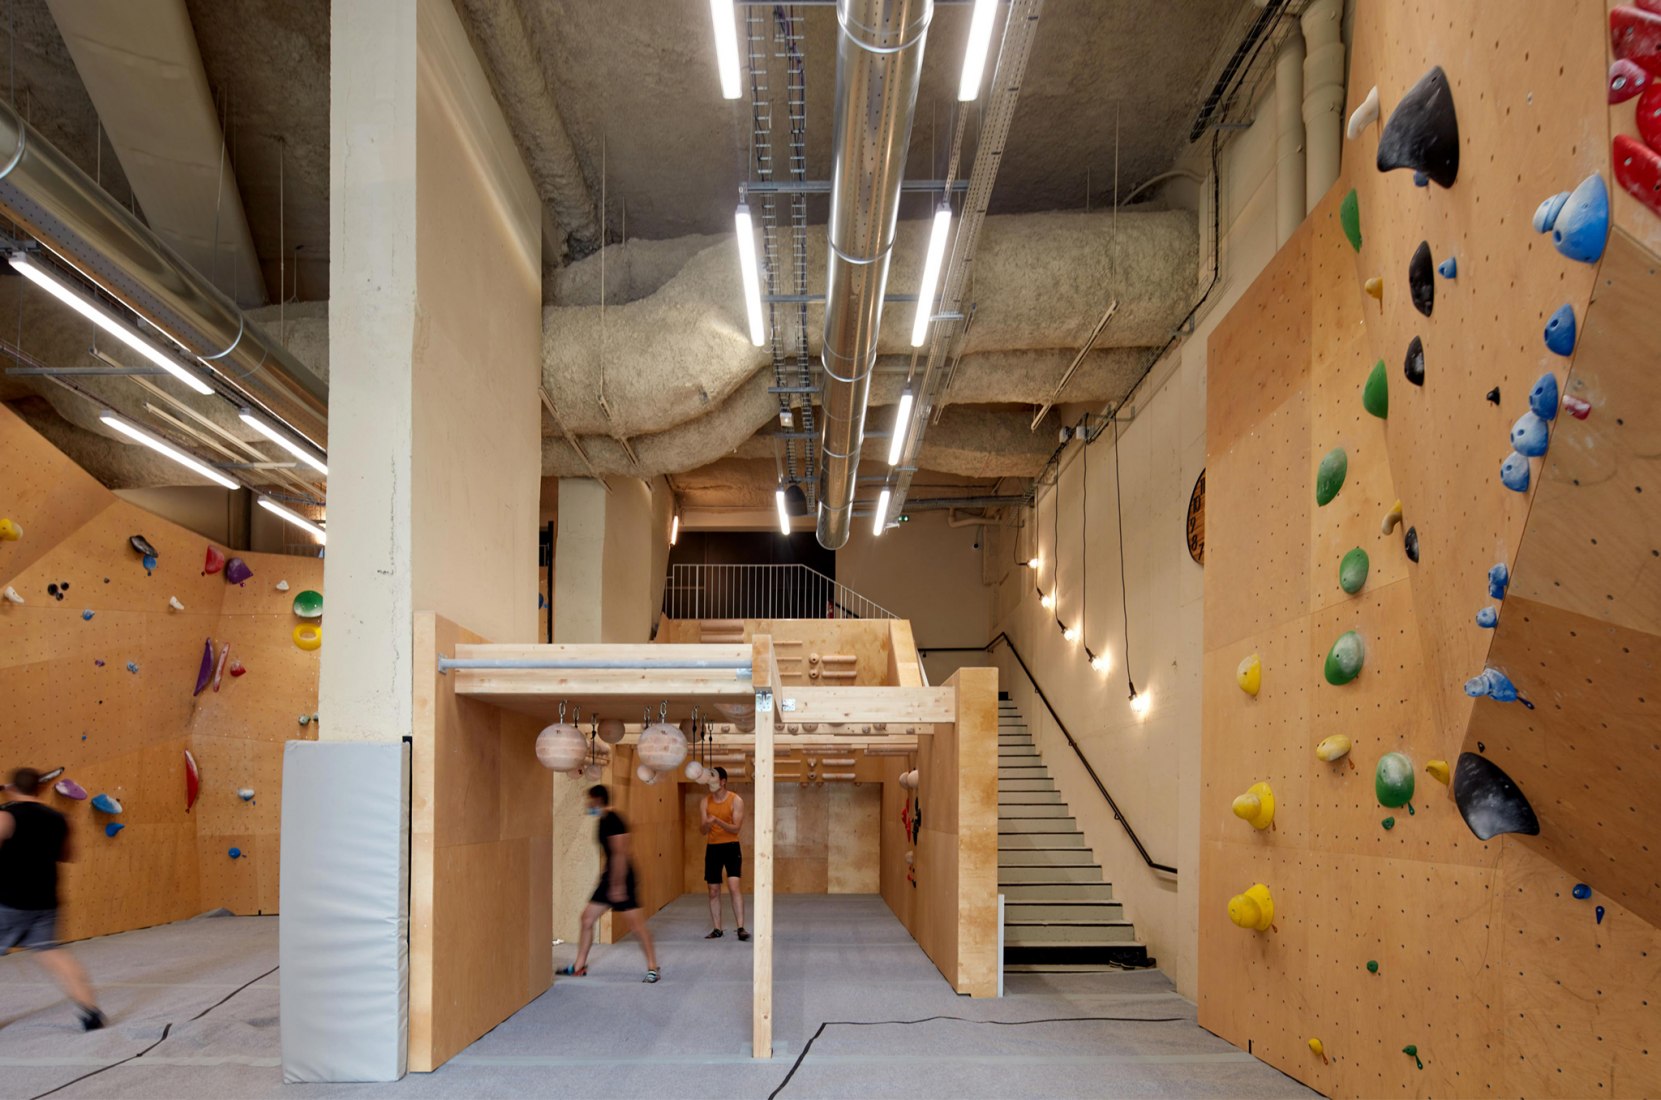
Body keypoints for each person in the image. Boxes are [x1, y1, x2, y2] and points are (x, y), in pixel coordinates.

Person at [0, 768, 104, 1029]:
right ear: (41, 788)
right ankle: (90, 1011)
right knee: (54, 954)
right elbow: (67, 855)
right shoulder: (60, 818)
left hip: (10, 901)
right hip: (46, 900)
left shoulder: (7, 816)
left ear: (13, 788)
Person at [558, 785, 659, 983]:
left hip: (622, 878)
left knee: (636, 926)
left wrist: (617, 885)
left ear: (597, 800)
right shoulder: (603, 820)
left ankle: (653, 967)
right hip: (609, 877)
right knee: (586, 919)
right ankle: (579, 966)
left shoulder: (614, 820)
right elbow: (609, 854)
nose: (588, 805)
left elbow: (620, 853)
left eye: (590, 800)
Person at [699, 767, 748, 941]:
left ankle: (741, 927)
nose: (710, 783)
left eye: (714, 779)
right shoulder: (705, 802)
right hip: (713, 848)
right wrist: (708, 824)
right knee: (713, 890)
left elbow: (736, 828)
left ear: (723, 781)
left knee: (734, 886)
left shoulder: (736, 800)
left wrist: (717, 821)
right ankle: (717, 929)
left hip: (731, 847)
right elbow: (702, 830)